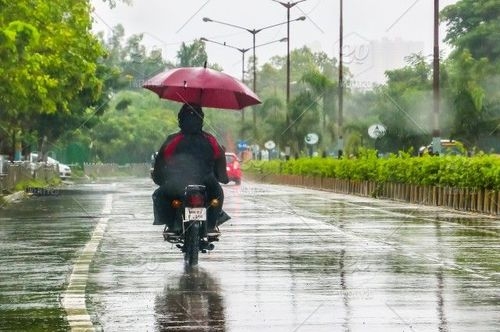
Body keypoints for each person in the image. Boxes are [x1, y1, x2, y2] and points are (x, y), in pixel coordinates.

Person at [151, 103, 229, 237]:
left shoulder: (172, 140)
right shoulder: (211, 140)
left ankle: (172, 225)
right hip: (207, 183)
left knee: (159, 195)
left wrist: (160, 180)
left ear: (180, 120)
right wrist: (223, 178)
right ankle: (211, 226)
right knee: (218, 195)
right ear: (202, 120)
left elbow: (160, 163)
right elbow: (221, 167)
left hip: (177, 184)